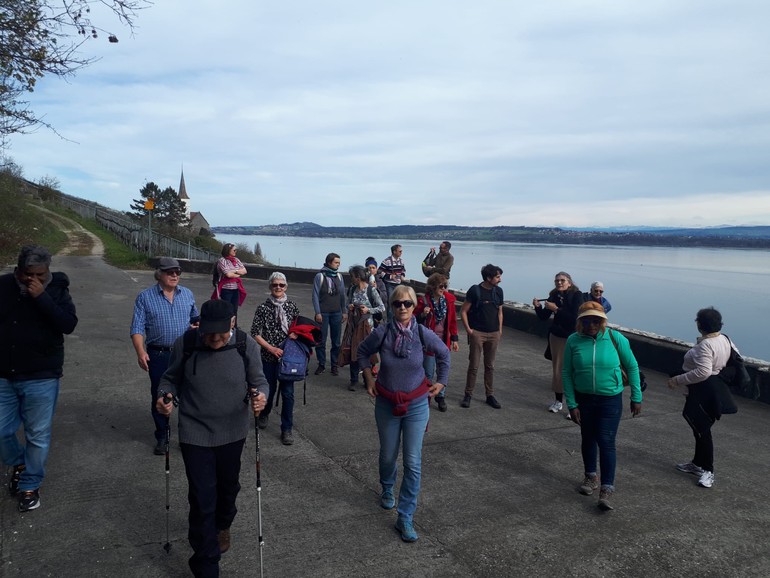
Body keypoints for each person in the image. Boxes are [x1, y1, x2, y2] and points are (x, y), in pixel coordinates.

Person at [157, 299, 268, 578]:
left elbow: (259, 381)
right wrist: (164, 396)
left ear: (232, 323)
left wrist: (260, 397)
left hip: (232, 431)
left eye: (219, 334)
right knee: (202, 497)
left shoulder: (245, 345)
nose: (214, 340)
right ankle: (206, 563)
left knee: (228, 490)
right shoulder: (188, 343)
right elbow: (169, 379)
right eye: (209, 333)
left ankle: (223, 524)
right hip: (195, 432)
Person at [357, 285, 449, 543]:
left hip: (417, 404)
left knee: (413, 462)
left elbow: (444, 355)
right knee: (388, 456)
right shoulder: (382, 332)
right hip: (386, 403)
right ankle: (387, 488)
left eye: (407, 304)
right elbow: (363, 352)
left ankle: (405, 516)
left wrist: (441, 383)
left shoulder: (422, 333)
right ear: (391, 306)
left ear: (414, 306)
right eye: (397, 303)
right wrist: (369, 379)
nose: (402, 308)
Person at [0, 245, 78, 512]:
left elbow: (68, 324)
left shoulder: (56, 289)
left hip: (42, 375)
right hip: (4, 373)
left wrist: (42, 297)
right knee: (1, 430)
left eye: (40, 274)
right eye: (28, 275)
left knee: (37, 434)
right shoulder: (4, 286)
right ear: (18, 270)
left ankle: (30, 484)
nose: (33, 280)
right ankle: (20, 463)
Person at [563, 301, 642, 511]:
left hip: (610, 399)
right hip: (584, 398)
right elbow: (566, 373)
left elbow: (632, 366)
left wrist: (636, 396)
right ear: (580, 321)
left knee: (606, 441)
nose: (591, 324)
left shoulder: (616, 339)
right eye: (587, 320)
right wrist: (571, 403)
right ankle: (590, 477)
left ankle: (607, 488)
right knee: (587, 437)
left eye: (596, 320)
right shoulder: (573, 341)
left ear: (603, 321)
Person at [131, 257, 199, 455]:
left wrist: (198, 325)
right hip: (158, 354)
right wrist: (140, 351)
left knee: (189, 395)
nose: (175, 275)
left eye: (178, 272)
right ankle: (162, 436)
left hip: (185, 352)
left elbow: (195, 319)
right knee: (161, 396)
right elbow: (137, 328)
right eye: (170, 272)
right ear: (159, 274)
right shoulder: (145, 297)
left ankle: (188, 436)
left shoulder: (187, 294)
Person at [667, 307, 737, 489]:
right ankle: (697, 464)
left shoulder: (706, 345)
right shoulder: (724, 339)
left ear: (700, 325)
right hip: (710, 388)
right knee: (699, 428)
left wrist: (677, 380)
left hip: (703, 391)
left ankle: (708, 471)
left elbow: (703, 372)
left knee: (703, 430)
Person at [250, 272, 301, 445]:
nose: (278, 288)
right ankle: (264, 413)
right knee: (268, 390)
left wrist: (295, 334)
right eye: (275, 285)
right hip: (268, 356)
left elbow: (300, 328)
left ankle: (286, 428)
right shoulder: (263, 308)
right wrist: (271, 348)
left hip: (288, 358)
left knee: (288, 394)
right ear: (270, 287)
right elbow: (255, 333)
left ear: (286, 287)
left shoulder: (292, 306)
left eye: (281, 285)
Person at [533, 272, 585, 416]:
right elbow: (543, 317)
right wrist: (537, 307)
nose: (559, 283)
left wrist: (555, 309)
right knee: (558, 370)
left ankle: (573, 406)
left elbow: (574, 318)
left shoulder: (577, 295)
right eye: (557, 281)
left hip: (573, 337)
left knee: (573, 370)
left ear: (569, 282)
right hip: (557, 337)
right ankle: (558, 402)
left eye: (562, 280)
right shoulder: (553, 295)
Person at [460, 264, 504, 409]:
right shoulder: (475, 290)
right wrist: (469, 330)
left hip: (494, 333)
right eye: (497, 277)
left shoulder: (498, 291)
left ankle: (489, 395)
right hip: (477, 333)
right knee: (474, 365)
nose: (500, 280)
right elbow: (464, 310)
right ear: (488, 277)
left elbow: (500, 312)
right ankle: (468, 394)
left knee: (490, 366)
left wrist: (500, 330)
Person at [415, 273, 459, 412]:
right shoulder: (423, 301)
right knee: (428, 371)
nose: (443, 288)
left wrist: (454, 339)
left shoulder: (449, 300)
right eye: (441, 286)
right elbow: (413, 319)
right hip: (428, 341)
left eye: (445, 286)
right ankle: (425, 397)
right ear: (433, 286)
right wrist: (423, 314)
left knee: (442, 369)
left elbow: (452, 321)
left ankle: (440, 396)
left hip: (443, 340)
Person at [343, 265, 385, 391]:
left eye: (352, 276)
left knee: (368, 353)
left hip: (368, 327)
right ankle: (354, 380)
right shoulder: (352, 289)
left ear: (358, 277)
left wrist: (368, 310)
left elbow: (381, 307)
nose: (351, 278)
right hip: (355, 325)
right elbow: (347, 303)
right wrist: (350, 307)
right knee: (353, 351)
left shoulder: (371, 290)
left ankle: (368, 380)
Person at [311, 253, 347, 376]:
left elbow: (342, 295)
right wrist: (318, 312)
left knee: (336, 341)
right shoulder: (320, 276)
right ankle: (321, 364)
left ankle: (334, 364)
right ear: (329, 262)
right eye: (336, 262)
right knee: (320, 340)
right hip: (323, 313)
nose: (338, 265)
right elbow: (315, 295)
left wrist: (344, 311)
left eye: (339, 262)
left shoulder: (339, 276)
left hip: (336, 312)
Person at [214, 243, 247, 320]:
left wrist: (234, 271)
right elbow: (228, 274)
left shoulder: (236, 260)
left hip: (236, 288)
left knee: (234, 310)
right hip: (226, 289)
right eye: (234, 250)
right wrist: (238, 273)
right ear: (228, 251)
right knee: (226, 309)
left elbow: (245, 271)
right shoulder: (222, 261)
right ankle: (225, 326)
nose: (236, 251)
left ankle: (234, 327)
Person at [378, 244, 406, 322]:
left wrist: (402, 276)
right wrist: (389, 276)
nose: (401, 253)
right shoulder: (387, 261)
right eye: (400, 251)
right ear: (394, 251)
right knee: (391, 303)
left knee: (398, 302)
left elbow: (403, 270)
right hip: (389, 284)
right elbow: (380, 271)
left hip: (398, 285)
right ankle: (389, 322)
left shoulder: (401, 261)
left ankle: (396, 320)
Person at [365, 257, 388, 327]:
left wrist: (377, 289)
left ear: (376, 269)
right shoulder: (362, 281)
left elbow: (385, 299)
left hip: (377, 313)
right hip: (365, 312)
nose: (371, 270)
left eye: (373, 268)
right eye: (369, 268)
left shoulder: (380, 282)